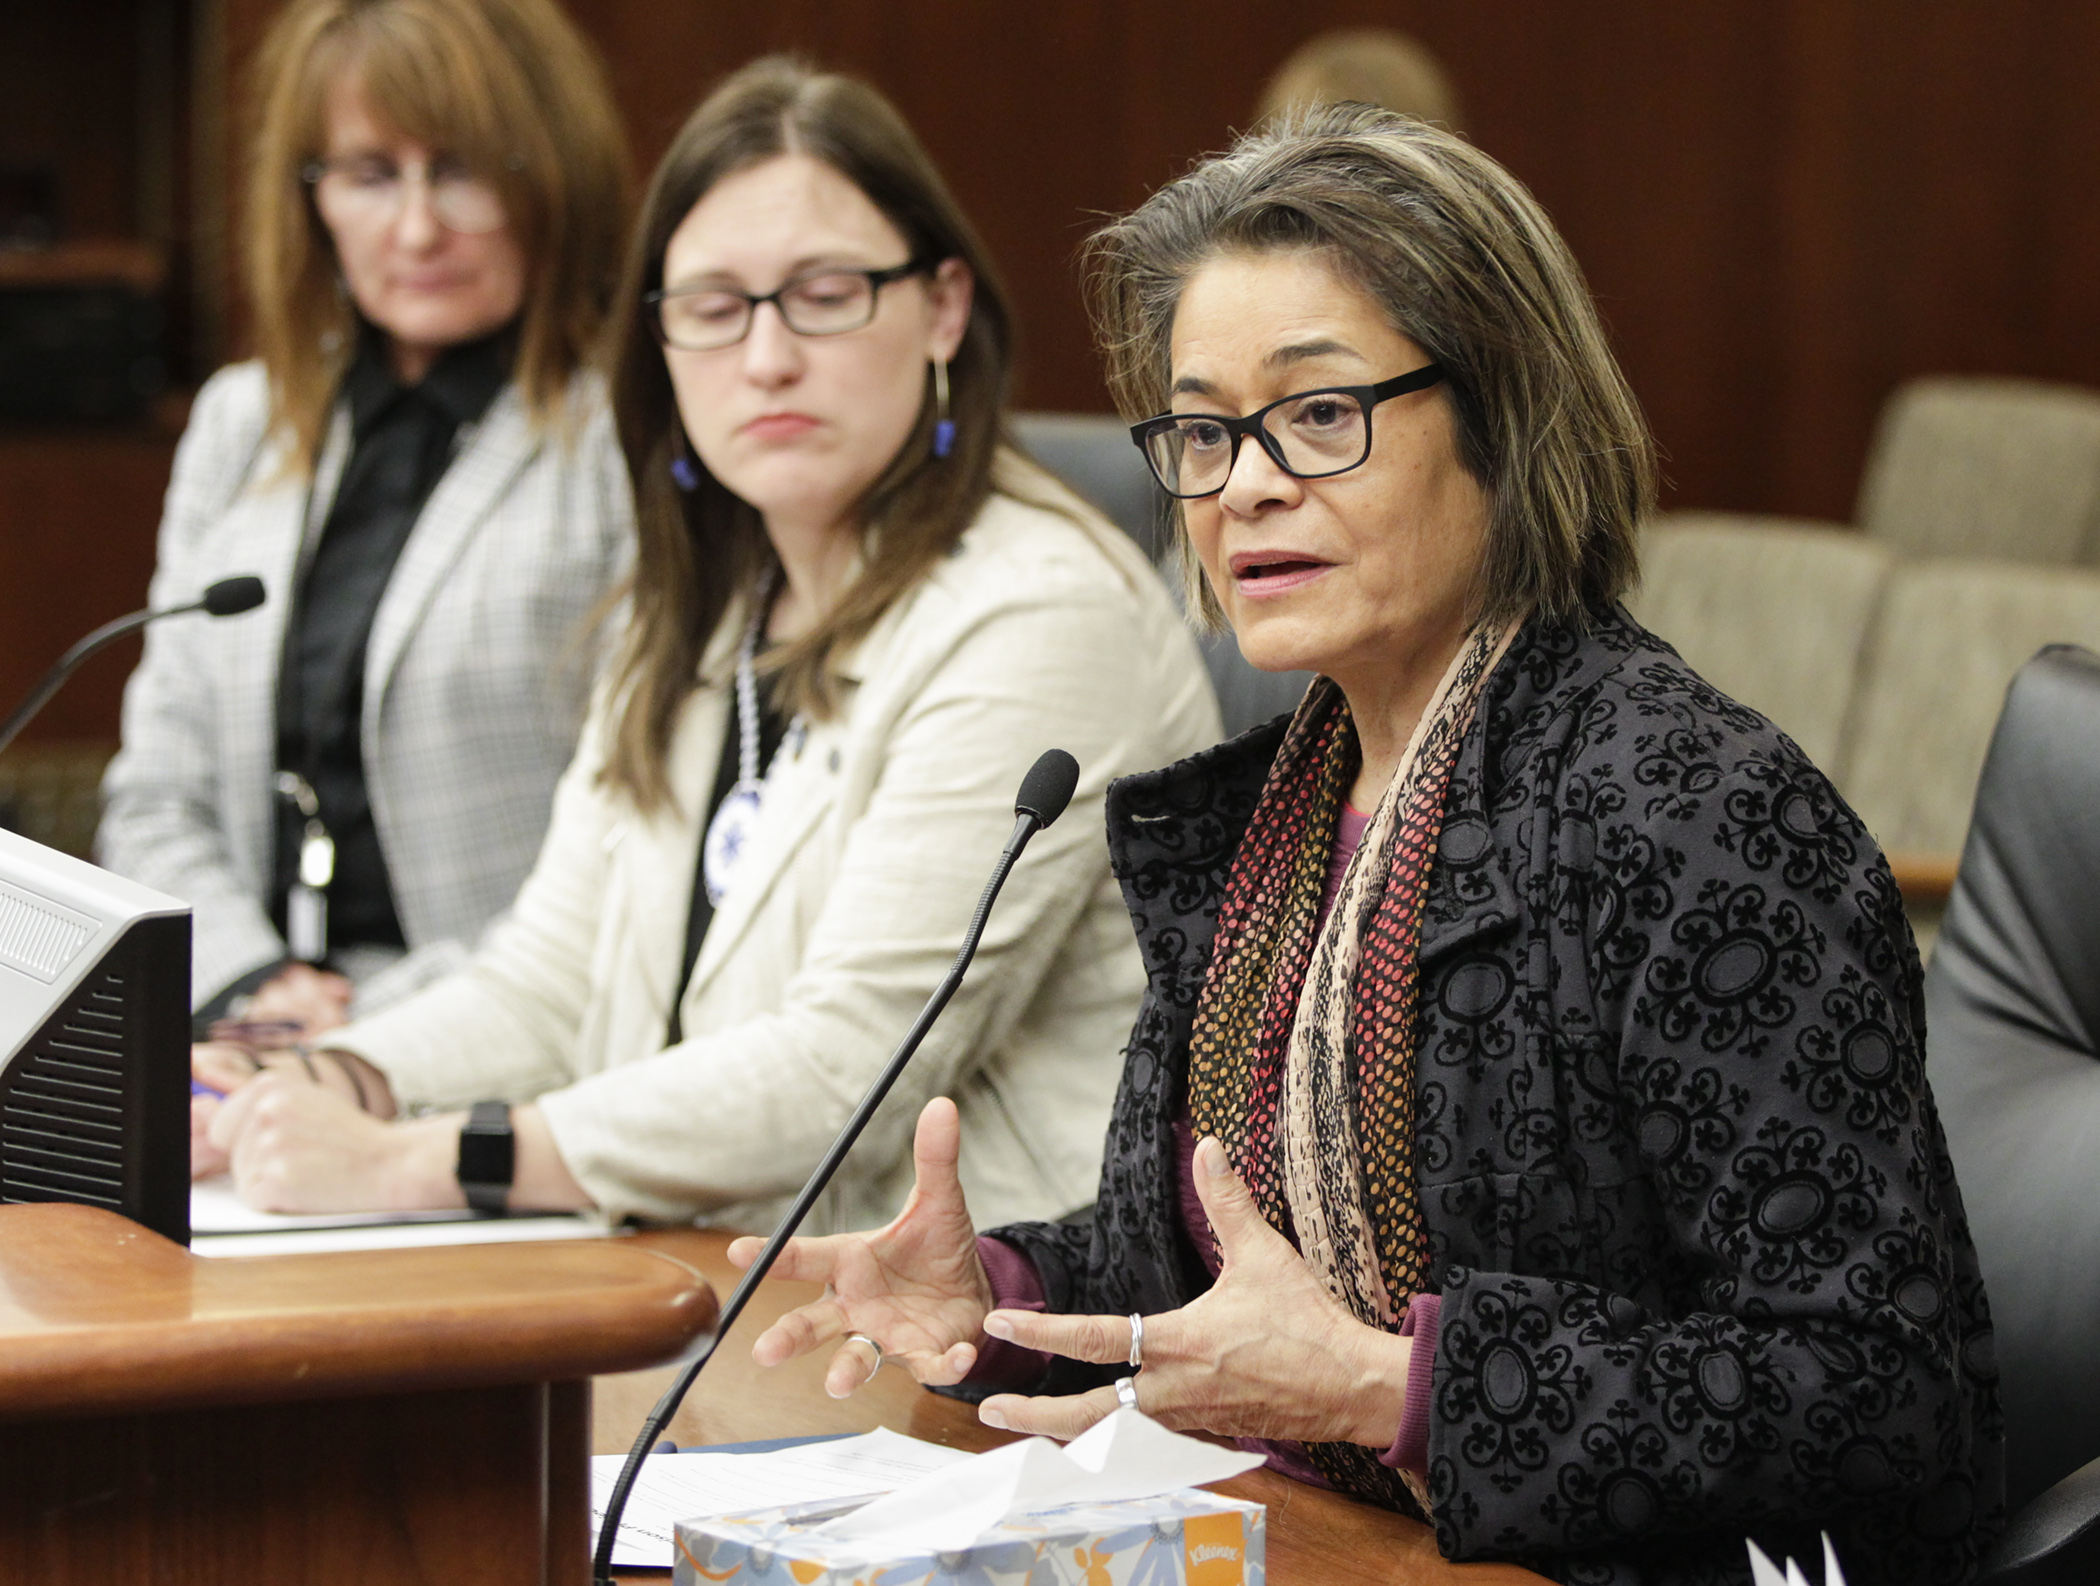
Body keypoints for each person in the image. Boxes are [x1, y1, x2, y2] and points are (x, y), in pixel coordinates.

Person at [735, 106, 2004, 1584]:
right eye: (1203, 432)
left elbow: (1878, 1382)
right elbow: (1212, 1274)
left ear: (1504, 419)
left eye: (1319, 414)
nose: (1245, 486)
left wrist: (1388, 1391)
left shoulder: (1695, 810)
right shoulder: (1267, 817)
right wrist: (999, 1286)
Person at [192, 58, 1220, 1235]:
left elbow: (843, 1072)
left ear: (942, 305)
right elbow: (548, 980)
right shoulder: (701, 609)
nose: (767, 357)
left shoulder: (1039, 613)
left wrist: (411, 1160)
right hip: (699, 1289)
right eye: (715, 307)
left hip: (959, 1338)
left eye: (825, 293)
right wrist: (323, 1081)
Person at [99, 0, 634, 1036]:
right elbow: (156, 791)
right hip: (241, 1030)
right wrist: (248, 984)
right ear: (311, 199)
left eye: (466, 170)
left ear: (553, 179)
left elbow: (629, 843)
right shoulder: (241, 423)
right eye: (370, 174)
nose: (419, 227)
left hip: (510, 1036)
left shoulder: (629, 439)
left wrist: (362, 1031)